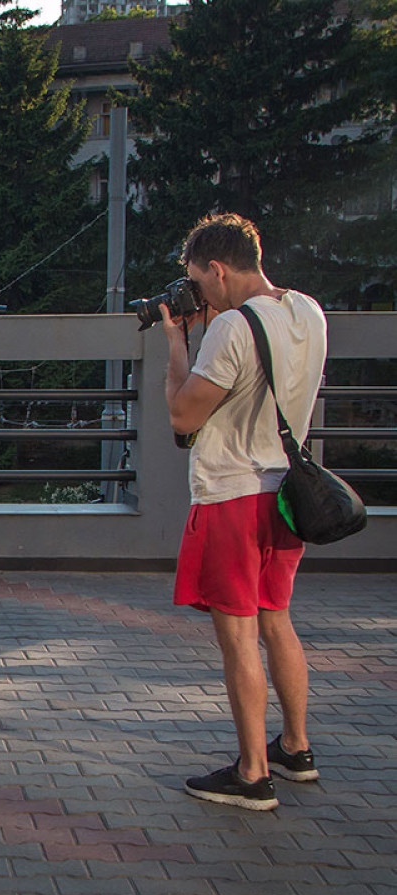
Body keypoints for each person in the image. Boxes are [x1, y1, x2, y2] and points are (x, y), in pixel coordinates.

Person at [160, 212, 327, 811]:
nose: (196, 294)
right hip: (287, 494)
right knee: (276, 619)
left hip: (233, 494)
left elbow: (183, 415)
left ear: (218, 269)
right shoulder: (307, 311)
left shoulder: (232, 326)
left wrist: (177, 342)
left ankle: (253, 774)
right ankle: (295, 748)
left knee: (238, 637)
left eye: (197, 282)